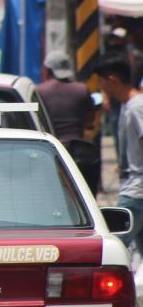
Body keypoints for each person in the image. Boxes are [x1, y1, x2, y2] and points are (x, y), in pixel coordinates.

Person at [96, 55, 143, 254]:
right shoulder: (127, 106)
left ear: (112, 80)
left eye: (101, 82)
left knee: (113, 250)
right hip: (134, 187)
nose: (100, 87)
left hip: (135, 191)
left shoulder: (136, 108)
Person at [39, 51, 94, 144]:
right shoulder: (82, 89)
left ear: (47, 70)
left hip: (50, 147)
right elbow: (90, 117)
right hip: (77, 145)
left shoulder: (40, 91)